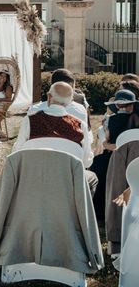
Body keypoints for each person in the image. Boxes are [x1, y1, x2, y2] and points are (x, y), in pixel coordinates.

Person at [14, 82, 97, 195]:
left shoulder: (30, 121)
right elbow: (86, 162)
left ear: (49, 97)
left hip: (33, 179)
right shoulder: (80, 126)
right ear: (70, 101)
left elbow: (17, 153)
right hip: (67, 183)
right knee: (92, 177)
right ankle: (81, 210)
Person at [91, 89, 139, 218]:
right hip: (136, 159)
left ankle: (101, 210)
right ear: (132, 105)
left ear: (116, 106)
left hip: (114, 158)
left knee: (98, 164)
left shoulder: (109, 121)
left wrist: (109, 145)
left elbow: (105, 141)